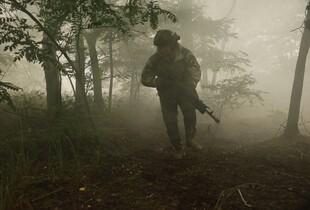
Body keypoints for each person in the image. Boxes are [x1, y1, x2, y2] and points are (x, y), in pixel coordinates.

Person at [141, 29, 202, 159]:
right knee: (170, 122)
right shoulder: (155, 60)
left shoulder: (185, 54)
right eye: (159, 47)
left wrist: (191, 84)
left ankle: (190, 139)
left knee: (190, 114)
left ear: (172, 44)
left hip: (185, 91)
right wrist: (158, 82)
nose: (161, 50)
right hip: (167, 94)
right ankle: (178, 148)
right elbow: (145, 77)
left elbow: (195, 69)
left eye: (164, 46)